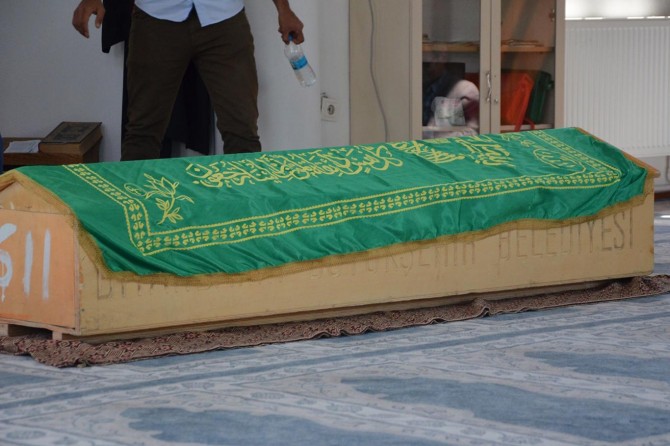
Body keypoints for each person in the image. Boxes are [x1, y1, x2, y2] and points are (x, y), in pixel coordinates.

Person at [72, 0, 305, 161]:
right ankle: (134, 212)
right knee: (143, 131)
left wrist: (284, 9)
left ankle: (246, 211)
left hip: (224, 19)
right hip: (156, 18)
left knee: (242, 130)